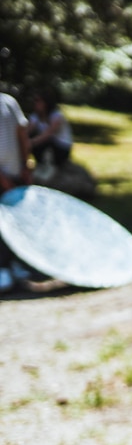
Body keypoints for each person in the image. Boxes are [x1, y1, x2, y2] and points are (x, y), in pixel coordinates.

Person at [0, 88, 33, 292]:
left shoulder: (8, 102)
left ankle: (13, 263)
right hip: (4, 176)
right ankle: (2, 269)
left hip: (13, 173)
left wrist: (26, 165)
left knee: (14, 220)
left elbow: (22, 134)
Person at [28, 86, 74, 170]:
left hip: (61, 148)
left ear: (46, 102)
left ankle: (49, 167)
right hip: (48, 145)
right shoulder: (35, 116)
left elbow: (48, 134)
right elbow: (27, 131)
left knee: (42, 142)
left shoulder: (57, 116)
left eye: (38, 100)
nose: (35, 103)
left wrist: (29, 143)